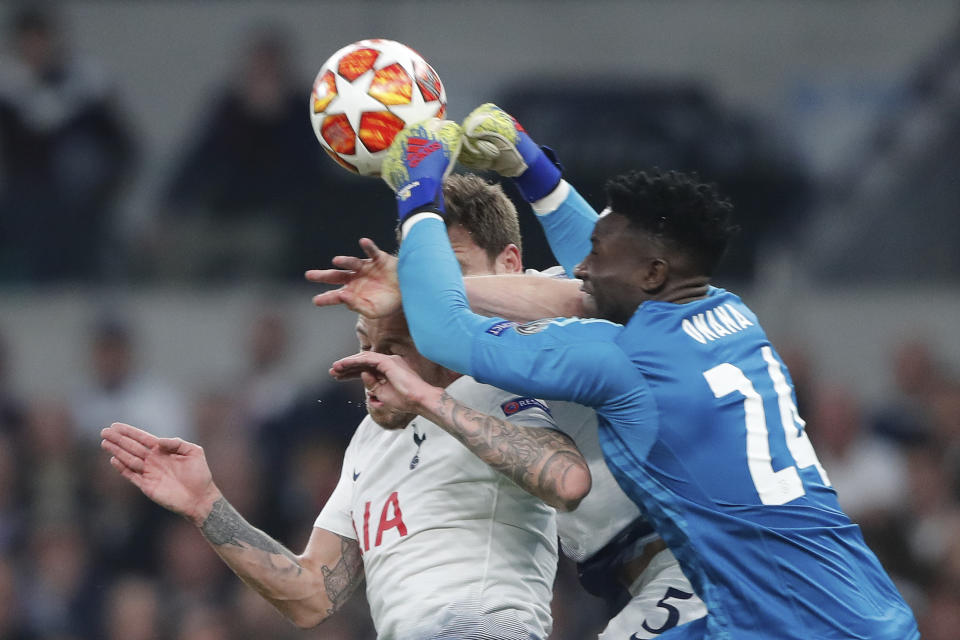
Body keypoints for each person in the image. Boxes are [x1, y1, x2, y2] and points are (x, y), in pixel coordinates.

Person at [330, 108, 920, 638]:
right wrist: (535, 173)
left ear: (652, 274)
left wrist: (418, 196)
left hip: (771, 616)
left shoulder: (619, 360)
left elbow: (444, 332)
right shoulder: (728, 313)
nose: (579, 267)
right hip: (861, 603)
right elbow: (587, 284)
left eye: (597, 256)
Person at [101, 175, 593, 640]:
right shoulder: (368, 442)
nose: (370, 363)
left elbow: (567, 481)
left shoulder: (497, 386)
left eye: (393, 346)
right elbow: (312, 595)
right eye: (364, 342)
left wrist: (426, 394)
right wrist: (207, 504)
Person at [313, 174, 707, 638]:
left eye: (448, 268)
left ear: (511, 263)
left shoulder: (553, 306)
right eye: (427, 270)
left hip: (698, 558)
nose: (432, 289)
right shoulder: (464, 370)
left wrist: (413, 277)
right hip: (650, 578)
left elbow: (607, 301)